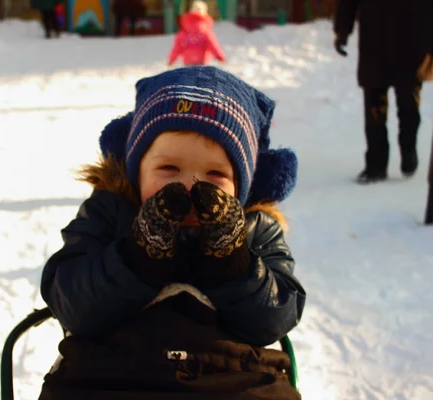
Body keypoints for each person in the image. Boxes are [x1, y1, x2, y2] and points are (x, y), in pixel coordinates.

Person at [38, 66, 306, 400]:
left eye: (215, 173)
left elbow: (276, 318)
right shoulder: (109, 214)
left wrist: (233, 261)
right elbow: (72, 303)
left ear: (242, 184)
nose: (191, 185)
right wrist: (137, 257)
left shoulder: (257, 229)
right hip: (111, 373)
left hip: (231, 377)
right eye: (169, 168)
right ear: (137, 171)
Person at [333, 0, 433, 184]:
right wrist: (342, 29)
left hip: (412, 36)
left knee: (408, 103)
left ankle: (408, 148)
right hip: (377, 37)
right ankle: (376, 165)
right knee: (375, 106)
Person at [168, 0, 226, 66]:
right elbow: (213, 45)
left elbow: (177, 47)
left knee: (189, 75)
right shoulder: (205, 31)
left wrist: (171, 60)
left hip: (188, 61)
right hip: (202, 61)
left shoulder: (184, 31)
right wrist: (220, 57)